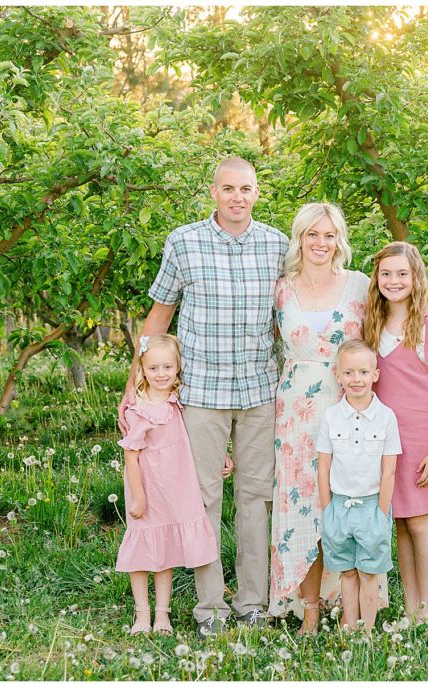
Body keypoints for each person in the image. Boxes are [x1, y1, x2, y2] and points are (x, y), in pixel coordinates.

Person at [118, 157, 288, 639]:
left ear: (257, 193)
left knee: (256, 497)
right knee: (204, 498)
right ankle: (210, 607)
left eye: (247, 189)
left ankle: (253, 602)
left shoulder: (277, 246)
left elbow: (302, 308)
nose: (238, 197)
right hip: (201, 395)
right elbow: (159, 317)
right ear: (213, 192)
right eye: (229, 188)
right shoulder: (184, 242)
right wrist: (133, 385)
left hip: (259, 390)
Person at [268, 202, 373, 636]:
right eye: (312, 234)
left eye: (329, 235)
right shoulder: (280, 289)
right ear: (299, 238)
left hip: (347, 406)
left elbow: (390, 326)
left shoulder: (359, 287)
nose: (321, 243)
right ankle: (309, 606)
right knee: (301, 511)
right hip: (294, 414)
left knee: (347, 505)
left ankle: (349, 605)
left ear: (339, 240)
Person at [363, 241, 428, 623]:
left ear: (415, 277)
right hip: (385, 442)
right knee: (399, 521)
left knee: (420, 522)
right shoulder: (373, 325)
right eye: (386, 274)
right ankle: (409, 607)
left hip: (422, 439)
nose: (394, 280)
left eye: (402, 273)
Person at [115, 334, 221, 635]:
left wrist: (221, 454)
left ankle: (162, 615)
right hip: (147, 489)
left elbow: (196, 437)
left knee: (165, 552)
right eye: (153, 368)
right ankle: (141, 615)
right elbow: (131, 458)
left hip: (175, 487)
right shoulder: (139, 409)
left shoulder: (180, 401)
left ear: (178, 368)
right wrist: (138, 497)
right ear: (142, 370)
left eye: (167, 367)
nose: (161, 374)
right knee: (142, 550)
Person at [316, 339, 401, 631]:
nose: (356, 379)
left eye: (363, 372)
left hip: (371, 506)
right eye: (349, 373)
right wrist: (327, 509)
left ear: (375, 375)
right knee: (347, 573)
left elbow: (389, 471)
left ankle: (368, 630)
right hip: (339, 507)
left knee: (368, 573)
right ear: (338, 375)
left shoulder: (386, 417)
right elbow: (324, 466)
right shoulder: (330, 417)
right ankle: (349, 626)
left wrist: (381, 511)